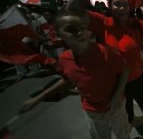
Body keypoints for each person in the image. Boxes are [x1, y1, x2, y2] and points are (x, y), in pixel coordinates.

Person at [67, 0, 143, 135]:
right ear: (110, 7)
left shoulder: (136, 24)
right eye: (117, 4)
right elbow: (73, 10)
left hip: (139, 78)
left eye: (125, 4)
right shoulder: (103, 23)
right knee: (127, 109)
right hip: (117, 82)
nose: (122, 8)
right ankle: (128, 129)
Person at [20, 11, 131, 139]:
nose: (79, 32)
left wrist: (117, 96)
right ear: (58, 35)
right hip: (92, 110)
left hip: (115, 107)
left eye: (82, 28)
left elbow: (124, 70)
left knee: (123, 134)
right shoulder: (64, 59)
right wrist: (39, 98)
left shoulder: (105, 52)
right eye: (71, 29)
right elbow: (68, 80)